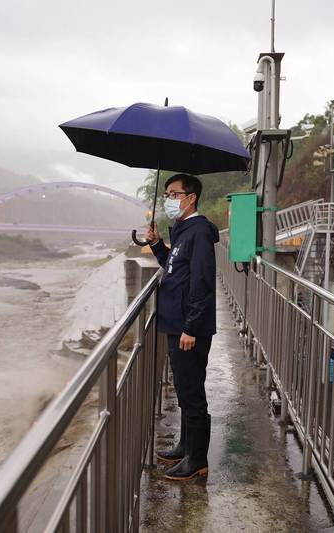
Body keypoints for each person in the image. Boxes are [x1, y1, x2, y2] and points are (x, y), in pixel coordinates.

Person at [145, 173, 219, 481]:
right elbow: (174, 269)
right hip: (178, 324)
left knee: (191, 393)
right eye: (167, 194)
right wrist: (157, 244)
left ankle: (197, 460)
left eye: (174, 194)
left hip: (190, 329)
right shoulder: (184, 231)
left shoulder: (199, 232)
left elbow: (201, 282)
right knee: (185, 389)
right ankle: (186, 447)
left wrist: (191, 327)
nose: (168, 199)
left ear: (191, 198)